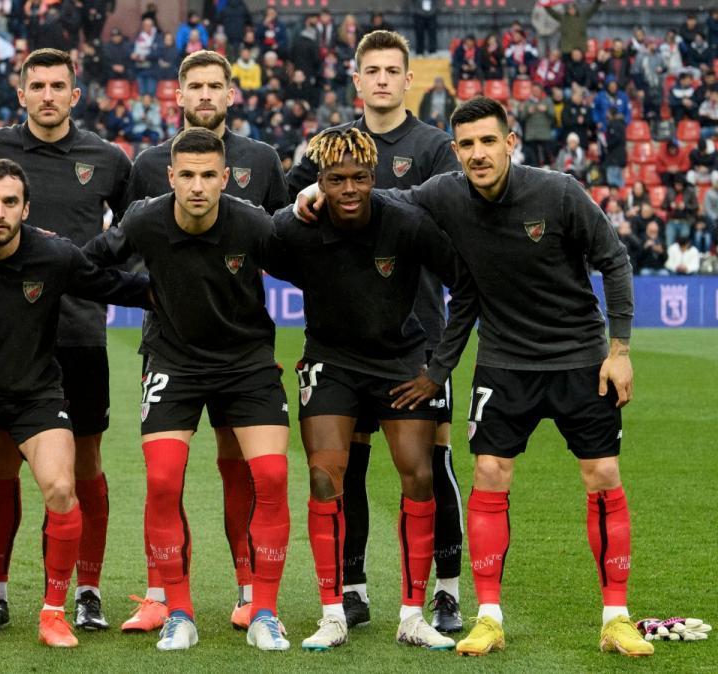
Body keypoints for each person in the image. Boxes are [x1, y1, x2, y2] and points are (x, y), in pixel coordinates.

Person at [300, 95, 649, 658]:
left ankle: (616, 616)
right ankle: (488, 615)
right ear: (455, 150)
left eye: (489, 141)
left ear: (511, 142)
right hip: (504, 360)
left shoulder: (558, 192)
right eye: (467, 144)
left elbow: (614, 259)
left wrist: (620, 348)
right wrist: (314, 191)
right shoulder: (444, 194)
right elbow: (382, 197)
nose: (478, 154)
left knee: (603, 473)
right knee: (489, 469)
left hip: (580, 357)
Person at [0, 158, 152, 649]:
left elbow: (117, 286)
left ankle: (53, 614)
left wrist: (190, 288)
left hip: (38, 394)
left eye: (9, 203)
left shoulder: (54, 256)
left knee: (62, 489)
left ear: (26, 208)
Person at [83, 127, 292, 652]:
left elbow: (313, 267)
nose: (197, 186)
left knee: (270, 474)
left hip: (246, 361)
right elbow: (86, 265)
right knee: (162, 481)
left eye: (208, 176)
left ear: (225, 179)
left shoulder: (252, 223)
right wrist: (138, 290)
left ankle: (264, 610)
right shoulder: (145, 219)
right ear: (170, 177)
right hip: (174, 361)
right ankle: (179, 611)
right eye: (187, 175)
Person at [287, 30, 466, 633]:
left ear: (407, 79)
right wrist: (309, 190)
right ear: (357, 80)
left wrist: (336, 189)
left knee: (431, 467)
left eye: (394, 70)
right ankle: (353, 587)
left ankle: (444, 588)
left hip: (417, 332)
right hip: (343, 336)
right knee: (349, 470)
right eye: (373, 71)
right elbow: (293, 209)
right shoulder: (329, 148)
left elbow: (432, 209)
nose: (384, 79)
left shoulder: (436, 146)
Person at [0, 48, 132, 631]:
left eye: (59, 85)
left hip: (79, 333)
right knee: (2, 461)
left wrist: (91, 268)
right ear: (22, 92)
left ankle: (87, 590)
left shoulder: (106, 159)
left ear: (75, 94)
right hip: (7, 338)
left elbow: (131, 230)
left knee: (85, 462)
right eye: (38, 85)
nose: (48, 95)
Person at [120, 48, 288, 633]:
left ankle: (250, 590)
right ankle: (159, 594)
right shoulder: (146, 163)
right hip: (170, 342)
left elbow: (282, 236)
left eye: (217, 86)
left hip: (240, 344)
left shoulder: (262, 160)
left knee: (239, 467)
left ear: (230, 94)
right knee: (164, 474)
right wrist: (156, 295)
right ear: (180, 94)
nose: (206, 96)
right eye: (196, 86)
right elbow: (130, 243)